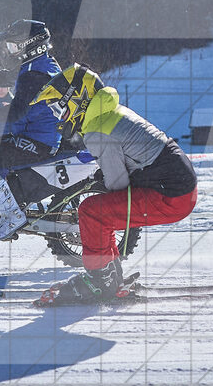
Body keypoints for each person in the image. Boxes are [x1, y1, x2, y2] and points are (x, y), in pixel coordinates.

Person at [30, 64, 198, 304]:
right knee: (100, 212)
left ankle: (99, 280)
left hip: (171, 194)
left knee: (92, 212)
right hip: (177, 186)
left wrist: (101, 181)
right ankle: (109, 276)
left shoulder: (97, 131)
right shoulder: (108, 113)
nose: (60, 117)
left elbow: (118, 185)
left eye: (60, 108)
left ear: (77, 101)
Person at [0, 19, 63, 240]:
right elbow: (5, 75)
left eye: (13, 46)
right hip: (33, 135)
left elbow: (16, 112)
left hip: (39, 141)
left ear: (29, 45)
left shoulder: (35, 74)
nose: (10, 51)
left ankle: (12, 217)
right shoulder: (38, 65)